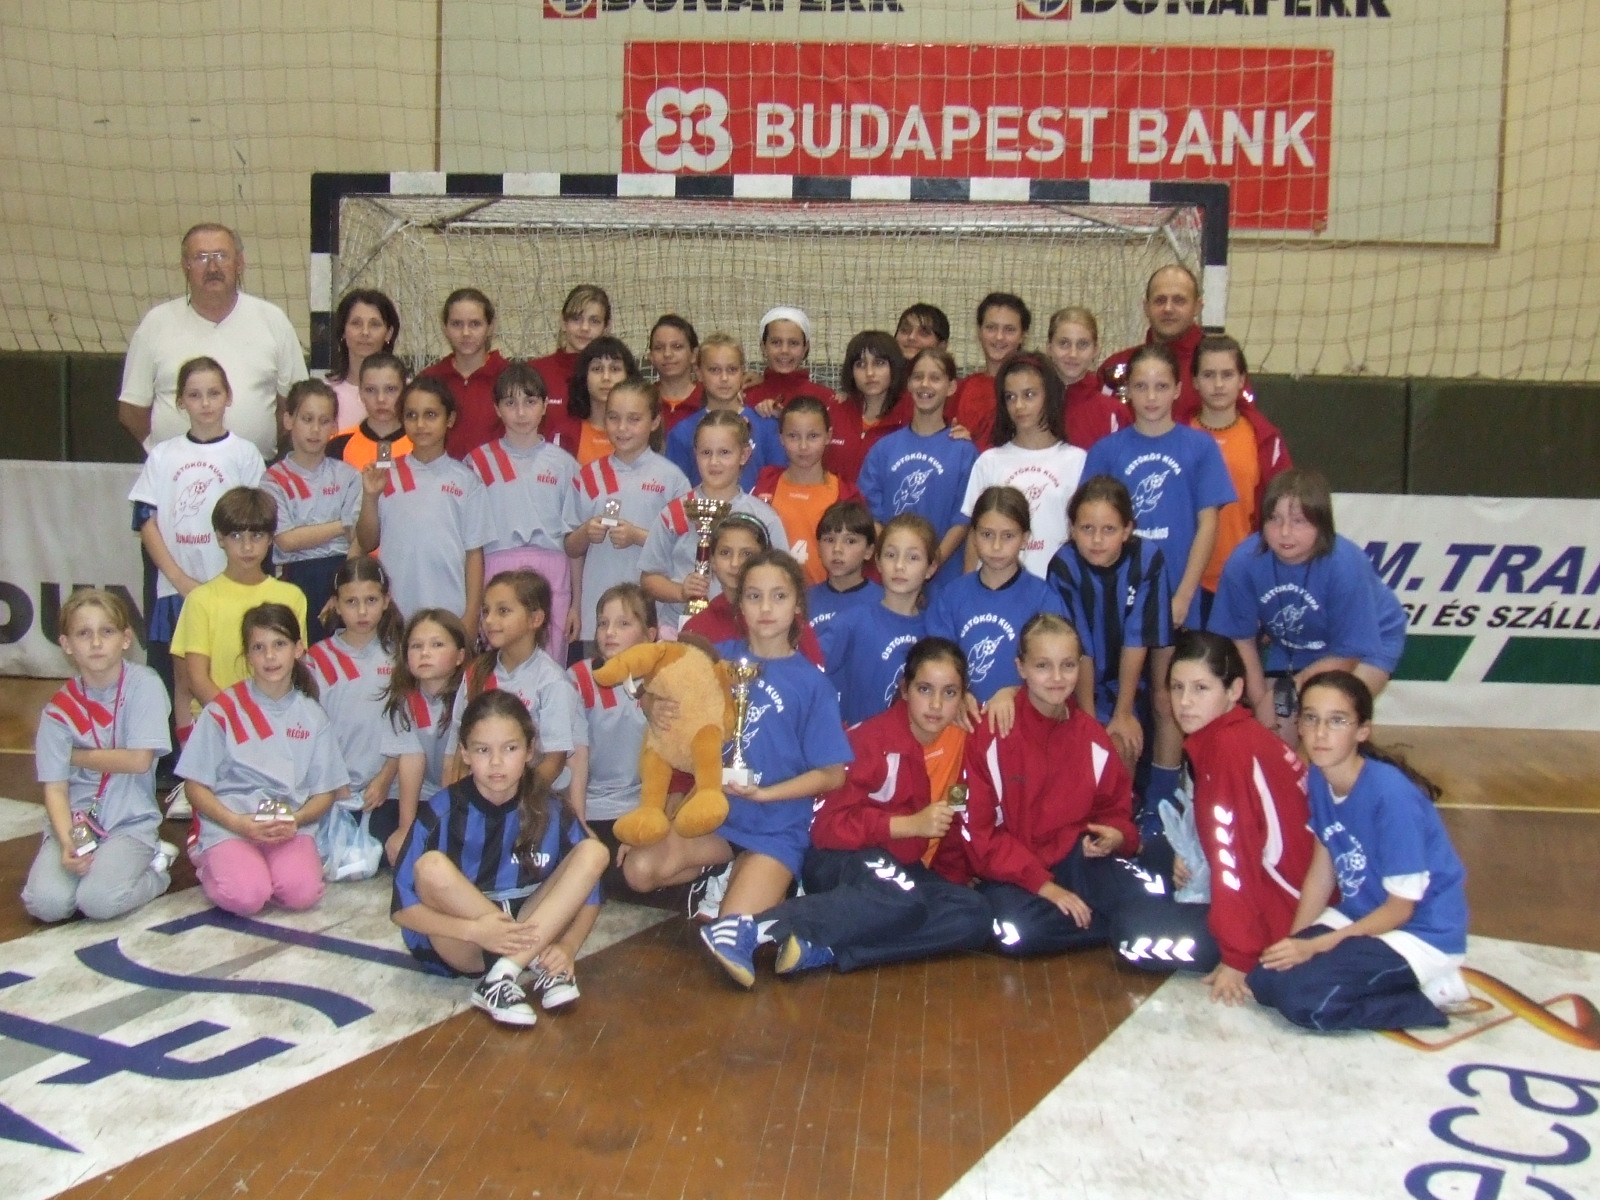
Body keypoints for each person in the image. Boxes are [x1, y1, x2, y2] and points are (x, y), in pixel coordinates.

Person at [622, 551, 850, 979]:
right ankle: (724, 871)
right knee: (638, 870)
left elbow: (833, 775)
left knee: (728, 936)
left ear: (797, 605)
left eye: (779, 596)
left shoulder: (812, 683)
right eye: (754, 596)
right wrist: (652, 703)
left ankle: (774, 887)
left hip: (775, 829)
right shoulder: (716, 660)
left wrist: (765, 794)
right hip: (719, 818)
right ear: (739, 604)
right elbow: (657, 686)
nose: (766, 608)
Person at [718, 638, 992, 984]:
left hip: (899, 868)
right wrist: (905, 825)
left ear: (964, 697)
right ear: (905, 689)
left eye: (949, 693)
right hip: (839, 859)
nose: (936, 704)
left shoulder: (960, 743)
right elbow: (825, 828)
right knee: (899, 898)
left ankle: (829, 948)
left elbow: (954, 821)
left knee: (973, 913)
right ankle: (749, 928)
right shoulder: (871, 741)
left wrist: (948, 882)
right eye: (925, 689)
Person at [1249, 671, 1469, 1032]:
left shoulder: (1391, 796)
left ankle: (1429, 995)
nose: (1321, 733)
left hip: (1419, 932)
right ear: (1299, 725)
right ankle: (1386, 981)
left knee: (1305, 1002)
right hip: (1361, 915)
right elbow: (1322, 872)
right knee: (1265, 980)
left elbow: (1400, 908)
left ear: (1362, 731)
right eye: (1311, 718)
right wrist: (1295, 942)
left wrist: (1316, 948)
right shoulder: (1320, 775)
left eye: (1337, 721)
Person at [1111, 630, 1314, 1005]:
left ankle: (1244, 947)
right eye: (1177, 687)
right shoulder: (1235, 736)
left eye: (1201, 689)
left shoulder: (1228, 754)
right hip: (1286, 892)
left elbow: (1235, 860)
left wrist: (1238, 957)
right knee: (1155, 853)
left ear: (1234, 690)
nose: (1185, 702)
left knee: (1128, 932)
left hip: (1279, 917)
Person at [390, 690, 609, 1026]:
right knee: (431, 867)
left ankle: (503, 974)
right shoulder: (441, 811)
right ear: (464, 753)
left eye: (510, 749)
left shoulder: (550, 808)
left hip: (530, 924)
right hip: (466, 943)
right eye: (482, 750)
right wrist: (475, 930)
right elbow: (403, 910)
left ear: (530, 750)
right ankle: (523, 963)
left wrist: (567, 947)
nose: (496, 762)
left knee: (594, 851)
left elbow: (591, 893)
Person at [1083, 343, 1236, 813]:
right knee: (1120, 702)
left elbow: (1208, 523)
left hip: (1172, 597)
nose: (1151, 396)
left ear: (1177, 390)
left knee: (1170, 699)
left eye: (1161, 386)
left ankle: (1162, 804)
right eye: (1141, 386)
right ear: (1127, 391)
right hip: (1118, 601)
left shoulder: (1198, 447)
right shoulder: (1107, 450)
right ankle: (1116, 803)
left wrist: (1184, 594)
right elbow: (1090, 525)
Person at [950, 614, 1155, 957]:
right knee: (1015, 930)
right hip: (1012, 873)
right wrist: (1043, 885)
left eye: (1068, 665)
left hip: (1077, 858)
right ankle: (1111, 927)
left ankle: (1113, 921)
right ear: (1021, 667)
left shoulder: (1092, 737)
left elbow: (1117, 811)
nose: (1058, 678)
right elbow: (974, 827)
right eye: (1043, 666)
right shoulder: (990, 731)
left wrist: (1117, 836)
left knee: (1144, 901)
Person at [1209, 469, 1407, 745]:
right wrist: (1261, 702)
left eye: (1299, 521)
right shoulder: (1244, 560)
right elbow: (1240, 638)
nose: (1284, 532)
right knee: (1273, 734)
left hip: (1367, 644)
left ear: (1321, 523)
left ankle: (1350, 765)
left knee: (1328, 718)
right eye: (1274, 519)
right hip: (1293, 645)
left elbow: (1349, 652)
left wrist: (1285, 693)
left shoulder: (1345, 564)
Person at [175, 603, 345, 916]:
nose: (269, 656)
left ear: (298, 649)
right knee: (247, 897)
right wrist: (236, 823)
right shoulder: (222, 710)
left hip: (288, 829)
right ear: (248, 656)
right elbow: (194, 787)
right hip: (231, 824)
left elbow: (325, 792)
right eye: (259, 647)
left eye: (279, 644)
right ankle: (209, 860)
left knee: (302, 894)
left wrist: (295, 820)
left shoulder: (313, 716)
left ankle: (266, 868)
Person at [129, 357, 267, 735]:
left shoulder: (245, 454)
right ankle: (182, 760)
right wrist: (178, 578)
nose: (205, 403)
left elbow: (259, 521)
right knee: (182, 680)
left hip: (233, 590)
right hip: (178, 592)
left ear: (228, 397)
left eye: (213, 393)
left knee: (236, 669)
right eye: (194, 395)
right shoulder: (163, 455)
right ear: (180, 402)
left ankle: (241, 745)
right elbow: (145, 520)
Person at [24, 590, 174, 923]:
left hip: (129, 823)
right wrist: (68, 843)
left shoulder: (144, 685)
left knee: (99, 902)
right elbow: (55, 788)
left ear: (125, 639)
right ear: (66, 644)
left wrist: (74, 756)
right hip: (77, 823)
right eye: (83, 633)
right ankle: (88, 867)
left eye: (106, 631)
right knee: (45, 904)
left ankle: (156, 869)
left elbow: (138, 760)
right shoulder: (58, 710)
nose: (95, 642)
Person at [118, 222, 307, 458]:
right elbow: (132, 410)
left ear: (240, 263)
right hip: (176, 472)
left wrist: (256, 445)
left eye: (221, 256)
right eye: (201, 257)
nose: (213, 267)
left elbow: (295, 403)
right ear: (185, 266)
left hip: (252, 472)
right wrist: (165, 455)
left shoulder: (272, 320)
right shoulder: (156, 323)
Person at [1047, 476, 1171, 772]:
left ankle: (1159, 794)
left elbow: (1137, 638)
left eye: (1109, 529)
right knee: (1092, 745)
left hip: (1131, 678)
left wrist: (1123, 712)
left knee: (1125, 740)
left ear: (1127, 530)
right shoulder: (1064, 566)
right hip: (1077, 679)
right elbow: (1080, 648)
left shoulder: (1146, 558)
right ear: (1072, 529)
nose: (1097, 540)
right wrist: (1089, 722)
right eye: (1087, 529)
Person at [355, 377, 492, 641]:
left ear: (449, 419)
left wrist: (471, 613)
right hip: (394, 611)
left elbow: (474, 554)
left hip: (449, 609)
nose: (420, 424)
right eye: (411, 415)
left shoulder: (467, 481)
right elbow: (367, 541)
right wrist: (370, 497)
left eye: (430, 415)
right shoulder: (385, 473)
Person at [170, 487, 308, 749]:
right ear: (220, 538)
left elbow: (294, 667)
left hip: (276, 726)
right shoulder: (200, 600)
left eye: (256, 535)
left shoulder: (292, 597)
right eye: (236, 536)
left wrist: (268, 725)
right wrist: (241, 722)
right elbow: (196, 679)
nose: (247, 547)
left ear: (270, 538)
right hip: (216, 724)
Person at [467, 363, 583, 663]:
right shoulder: (477, 463)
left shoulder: (564, 465)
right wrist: (473, 604)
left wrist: (577, 603)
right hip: (496, 566)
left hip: (553, 571)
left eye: (530, 402)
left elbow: (574, 541)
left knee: (549, 665)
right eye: (510, 403)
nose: (520, 412)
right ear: (497, 409)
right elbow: (469, 544)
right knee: (499, 665)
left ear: (544, 406)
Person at [565, 377, 691, 654]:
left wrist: (639, 536)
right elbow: (571, 548)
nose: (622, 428)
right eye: (614, 418)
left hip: (651, 616)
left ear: (654, 422)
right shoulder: (588, 476)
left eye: (634, 419)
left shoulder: (672, 479)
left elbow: (684, 548)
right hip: (596, 616)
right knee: (598, 681)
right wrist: (585, 533)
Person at [640, 409, 787, 634]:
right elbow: (649, 577)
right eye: (706, 452)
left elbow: (783, 578)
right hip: (681, 630)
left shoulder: (764, 518)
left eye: (724, 452)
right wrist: (680, 591)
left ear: (744, 455)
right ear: (695, 454)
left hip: (744, 631)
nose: (714, 462)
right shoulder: (676, 512)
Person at [926, 486, 1065, 703]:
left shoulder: (1044, 600)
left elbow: (1056, 673)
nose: (996, 546)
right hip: (963, 717)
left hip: (1023, 717)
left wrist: (1014, 693)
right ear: (973, 536)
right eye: (987, 534)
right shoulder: (951, 596)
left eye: (1008, 536)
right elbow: (936, 663)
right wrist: (957, 694)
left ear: (1025, 538)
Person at [446, 570, 579, 796]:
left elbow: (554, 762)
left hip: (530, 800)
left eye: (503, 611)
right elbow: (456, 751)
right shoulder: (476, 673)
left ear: (535, 619)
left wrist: (512, 803)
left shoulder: (552, 681)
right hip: (479, 797)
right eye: (485, 611)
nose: (489, 620)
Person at [1189, 335, 1291, 624]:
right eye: (1208, 375)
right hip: (1185, 581)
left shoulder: (1264, 439)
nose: (1218, 384)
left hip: (1244, 579)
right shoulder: (1178, 434)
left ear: (1242, 380)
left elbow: (1282, 513)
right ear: (1194, 381)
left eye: (1227, 374)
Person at [959, 352, 1086, 578]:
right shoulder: (989, 461)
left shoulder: (1077, 461)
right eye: (1010, 397)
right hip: (997, 587)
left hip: (1056, 585)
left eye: (1029, 395)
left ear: (1049, 396)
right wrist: (969, 588)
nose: (1019, 405)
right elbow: (974, 534)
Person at [305, 558, 403, 852]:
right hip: (331, 789)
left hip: (386, 789)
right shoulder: (316, 660)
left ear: (386, 601)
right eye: (351, 602)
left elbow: (407, 728)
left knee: (385, 852)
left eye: (371, 600)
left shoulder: (400, 658)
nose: (362, 611)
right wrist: (332, 782)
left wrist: (386, 777)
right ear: (335, 604)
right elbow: (310, 734)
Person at [857, 348, 976, 590]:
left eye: (935, 378)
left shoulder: (965, 452)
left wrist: (929, 565)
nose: (925, 384)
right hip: (893, 581)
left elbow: (963, 519)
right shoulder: (883, 449)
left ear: (951, 387)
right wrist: (897, 562)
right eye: (918, 377)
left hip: (944, 582)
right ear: (908, 384)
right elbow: (871, 515)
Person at [264, 379, 363, 643]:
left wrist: (342, 589)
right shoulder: (273, 479)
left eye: (324, 420)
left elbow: (357, 538)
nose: (315, 429)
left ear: (335, 426)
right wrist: (341, 524)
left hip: (342, 574)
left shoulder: (349, 476)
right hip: (296, 576)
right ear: (288, 420)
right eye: (307, 419)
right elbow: (287, 540)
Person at [565, 585, 656, 869]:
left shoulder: (662, 679)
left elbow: (668, 762)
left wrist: (650, 821)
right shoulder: (578, 677)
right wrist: (578, 825)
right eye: (603, 623)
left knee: (637, 871)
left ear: (650, 635)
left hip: (642, 807)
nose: (609, 632)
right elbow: (575, 758)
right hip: (590, 808)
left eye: (623, 624)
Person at [818, 514, 936, 726]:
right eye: (891, 555)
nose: (899, 566)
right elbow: (805, 670)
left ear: (930, 568)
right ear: (878, 562)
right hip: (861, 741)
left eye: (912, 557)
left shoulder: (935, 630)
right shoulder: (852, 622)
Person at [378, 609, 469, 864]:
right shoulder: (404, 700)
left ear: (460, 656)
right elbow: (412, 759)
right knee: (387, 841)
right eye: (416, 646)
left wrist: (446, 823)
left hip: (464, 794)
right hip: (422, 795)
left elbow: (458, 766)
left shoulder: (470, 695)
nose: (425, 653)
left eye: (437, 645)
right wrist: (406, 828)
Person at [681, 513, 826, 666]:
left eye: (747, 554)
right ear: (712, 561)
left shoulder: (790, 624)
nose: (735, 563)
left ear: (763, 559)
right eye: (725, 553)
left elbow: (811, 675)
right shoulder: (697, 628)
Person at [753, 396, 861, 585]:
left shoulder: (845, 494)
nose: (803, 446)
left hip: (825, 598)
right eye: (793, 436)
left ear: (828, 436)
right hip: (771, 594)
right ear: (781, 438)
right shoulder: (765, 485)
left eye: (813, 436)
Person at [665, 334, 785, 492]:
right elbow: (675, 491)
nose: (724, 378)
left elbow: (780, 483)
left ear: (742, 371)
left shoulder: (767, 426)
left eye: (732, 369)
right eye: (714, 370)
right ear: (699, 373)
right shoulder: (682, 432)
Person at [1097, 263, 1210, 423]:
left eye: (1179, 300)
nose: (1168, 308)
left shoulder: (1219, 369)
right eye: (1160, 300)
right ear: (1146, 307)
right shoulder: (1115, 368)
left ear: (1197, 307)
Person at [419, 287, 508, 459]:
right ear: (445, 328)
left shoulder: (510, 378)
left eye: (475, 324)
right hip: (441, 474)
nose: (465, 333)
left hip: (496, 475)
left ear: (490, 327)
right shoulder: (428, 380)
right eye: (457, 324)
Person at [946, 292, 1030, 450]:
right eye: (991, 328)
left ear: (1023, 336)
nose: (999, 337)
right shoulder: (962, 389)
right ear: (979, 331)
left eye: (1009, 330)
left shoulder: (1034, 390)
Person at [825, 330, 910, 483]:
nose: (869, 373)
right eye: (860, 364)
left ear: (894, 367)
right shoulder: (834, 410)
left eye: (879, 363)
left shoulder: (911, 416)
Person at [530, 284, 612, 436]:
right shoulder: (534, 373)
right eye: (576, 319)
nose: (584, 328)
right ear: (563, 322)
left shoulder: (615, 377)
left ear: (606, 328)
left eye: (594, 321)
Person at [1044, 306, 1127, 452]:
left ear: (1095, 350)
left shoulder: (1113, 411)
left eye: (1083, 344)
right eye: (1064, 343)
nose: (1073, 354)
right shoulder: (1032, 405)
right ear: (1049, 348)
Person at [552, 335, 637, 467]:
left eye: (615, 369)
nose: (606, 377)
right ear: (584, 376)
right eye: (597, 369)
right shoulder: (566, 435)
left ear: (628, 376)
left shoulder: (643, 432)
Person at [806, 499, 883, 642]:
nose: (837, 549)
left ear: (869, 551)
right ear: (818, 548)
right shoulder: (804, 600)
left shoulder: (883, 601)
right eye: (829, 540)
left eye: (850, 541)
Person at [325, 289, 400, 430]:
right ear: (343, 331)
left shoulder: (408, 392)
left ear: (389, 333)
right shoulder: (324, 393)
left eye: (374, 324)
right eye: (356, 323)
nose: (365, 332)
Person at [327, 352, 412, 473]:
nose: (381, 399)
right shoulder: (339, 445)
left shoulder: (419, 442)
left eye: (390, 389)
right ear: (361, 393)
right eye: (371, 390)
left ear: (404, 392)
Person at [742, 306, 834, 412]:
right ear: (763, 346)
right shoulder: (744, 395)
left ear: (805, 347)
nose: (784, 350)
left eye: (793, 343)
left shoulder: (827, 398)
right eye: (776, 342)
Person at [648, 314, 703, 431]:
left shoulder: (709, 399)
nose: (667, 354)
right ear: (651, 357)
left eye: (677, 347)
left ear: (694, 354)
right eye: (659, 348)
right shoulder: (643, 401)